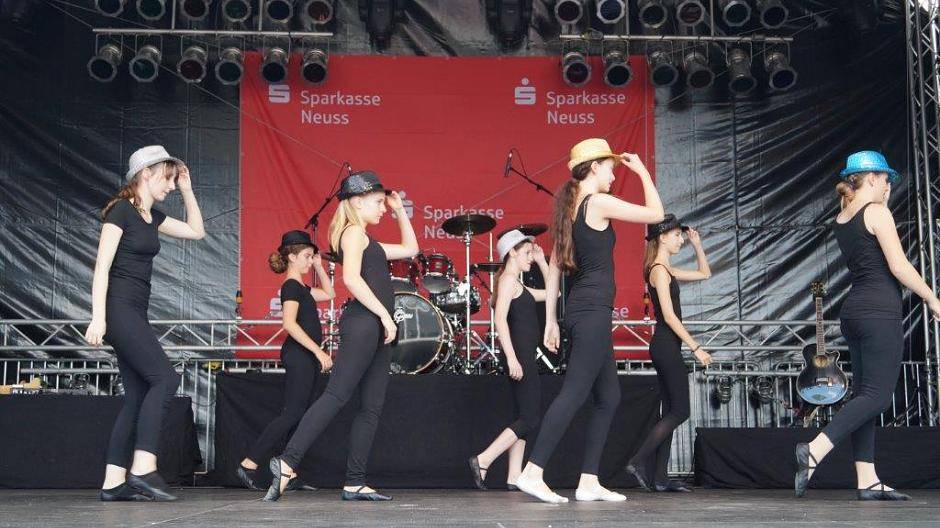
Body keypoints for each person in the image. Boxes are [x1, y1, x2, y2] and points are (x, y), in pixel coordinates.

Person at [516, 138, 665, 503]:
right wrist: (642, 171)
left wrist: (551, 319)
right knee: (574, 392)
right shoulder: (596, 202)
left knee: (609, 397)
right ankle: (532, 472)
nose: (614, 175)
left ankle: (588, 480)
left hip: (585, 311)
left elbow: (554, 266)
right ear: (595, 167)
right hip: (591, 312)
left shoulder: (571, 208)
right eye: (610, 168)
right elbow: (656, 215)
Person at [263, 171, 418, 502]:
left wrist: (399, 211)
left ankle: (355, 481)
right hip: (365, 324)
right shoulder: (353, 233)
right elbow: (351, 279)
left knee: (372, 407)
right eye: (378, 202)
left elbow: (411, 248)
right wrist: (384, 316)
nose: (383, 208)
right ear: (357, 202)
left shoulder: (368, 240)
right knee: (336, 395)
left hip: (377, 328)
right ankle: (288, 463)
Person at [795, 151, 940, 501]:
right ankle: (814, 449)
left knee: (865, 395)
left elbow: (871, 251)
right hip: (878, 311)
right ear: (872, 178)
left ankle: (867, 478)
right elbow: (899, 266)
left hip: (855, 312)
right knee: (877, 396)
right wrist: (932, 298)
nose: (889, 185)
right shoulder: (876, 212)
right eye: (886, 179)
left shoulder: (843, 216)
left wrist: (881, 202)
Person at [85, 145, 206, 502]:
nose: (170, 185)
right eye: (167, 178)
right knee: (165, 378)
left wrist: (187, 189)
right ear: (145, 174)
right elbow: (102, 268)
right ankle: (142, 467)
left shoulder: (152, 217)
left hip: (135, 311)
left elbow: (197, 231)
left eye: (173, 180)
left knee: (137, 396)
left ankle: (113, 482)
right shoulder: (120, 211)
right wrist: (98, 317)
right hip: (118, 310)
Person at [236, 230, 335, 491]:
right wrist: (318, 351)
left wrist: (319, 266)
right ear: (291, 257)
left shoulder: (302, 288)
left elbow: (330, 293)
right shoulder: (291, 286)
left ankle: (287, 471)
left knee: (300, 415)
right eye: (307, 256)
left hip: (306, 356)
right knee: (292, 413)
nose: (310, 261)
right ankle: (249, 463)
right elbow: (289, 324)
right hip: (300, 355)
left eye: (311, 256)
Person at [625, 215, 712, 493]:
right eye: (677, 236)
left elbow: (705, 274)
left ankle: (660, 478)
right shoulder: (659, 271)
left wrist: (697, 245)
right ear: (662, 237)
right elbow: (670, 317)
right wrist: (696, 348)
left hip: (668, 346)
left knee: (671, 411)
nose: (681, 240)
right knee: (680, 411)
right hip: (665, 344)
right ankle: (637, 461)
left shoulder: (667, 269)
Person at [468, 229, 550, 491]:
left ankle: (514, 475)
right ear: (512, 252)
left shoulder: (518, 284)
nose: (530, 257)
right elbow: (500, 319)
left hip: (523, 354)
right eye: (527, 253)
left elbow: (554, 294)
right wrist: (513, 358)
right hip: (519, 355)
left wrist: (542, 262)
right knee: (530, 418)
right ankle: (484, 459)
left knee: (523, 416)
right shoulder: (507, 282)